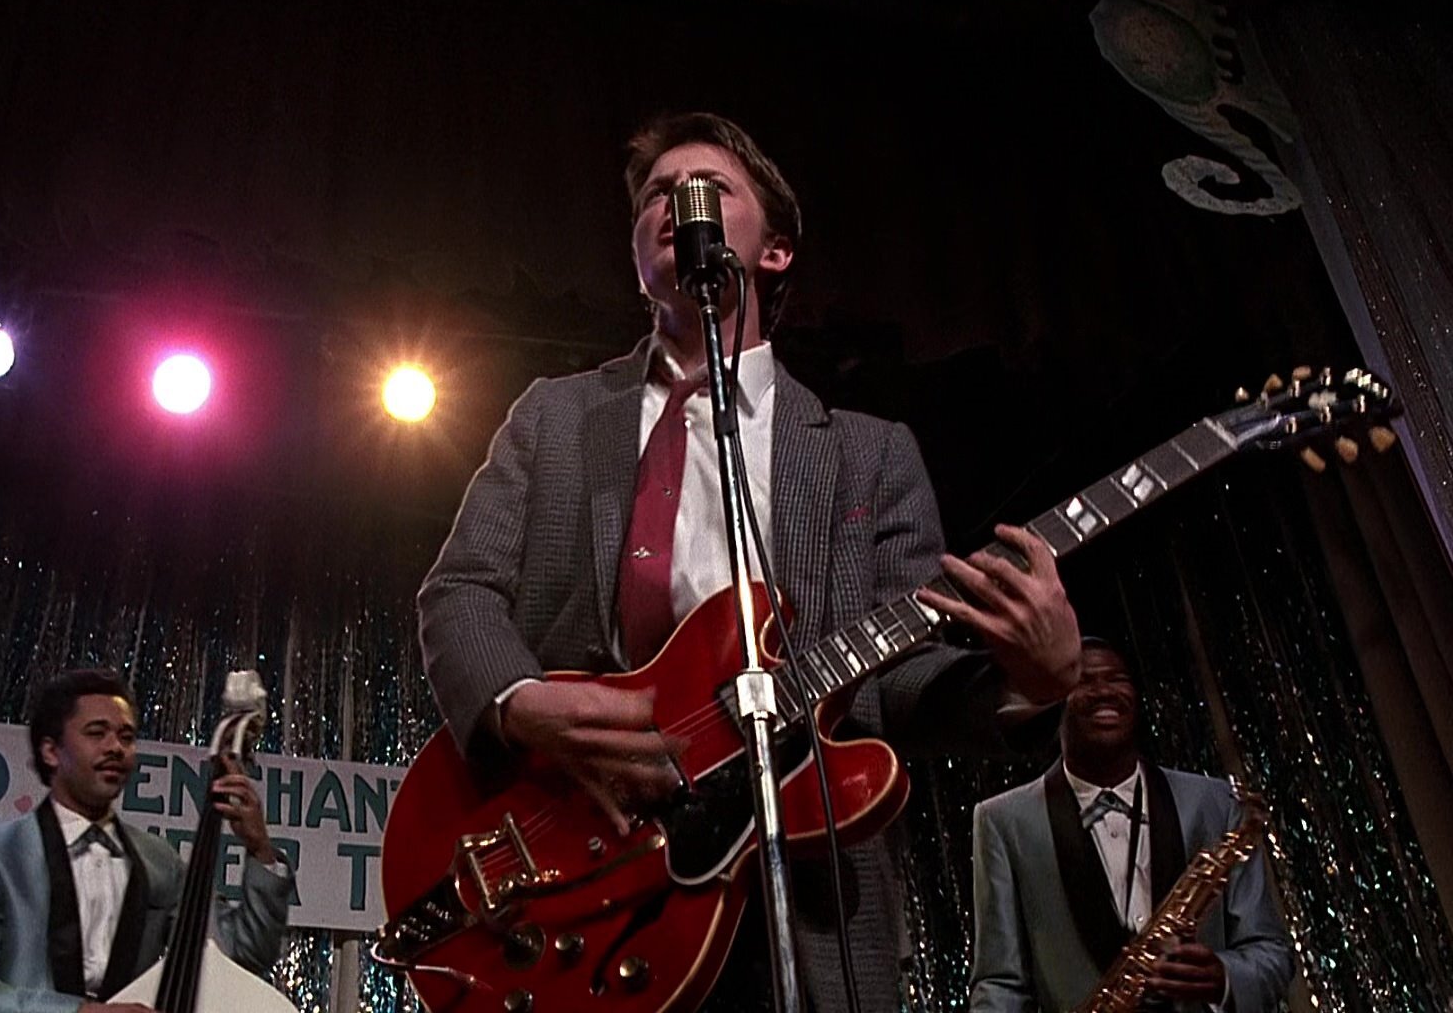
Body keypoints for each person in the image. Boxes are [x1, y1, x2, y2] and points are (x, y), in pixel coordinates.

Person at [417, 112, 1084, 1011]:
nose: (674, 204)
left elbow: (900, 684)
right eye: (655, 195)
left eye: (707, 189)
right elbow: (461, 590)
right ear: (636, 253)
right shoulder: (554, 416)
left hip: (798, 903)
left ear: (775, 251)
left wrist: (1033, 684)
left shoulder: (868, 453)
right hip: (577, 866)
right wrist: (520, 704)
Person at [0, 669, 295, 1013]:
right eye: (96, 733)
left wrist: (259, 848)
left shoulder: (157, 859)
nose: (116, 747)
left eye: (126, 737)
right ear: (51, 751)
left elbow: (241, 953)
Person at [969, 639, 1295, 1011]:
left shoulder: (1215, 803)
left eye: (1118, 679)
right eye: (1084, 680)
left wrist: (1224, 977)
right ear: (1051, 702)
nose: (1104, 691)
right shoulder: (1003, 820)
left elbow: (1272, 952)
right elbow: (1000, 983)